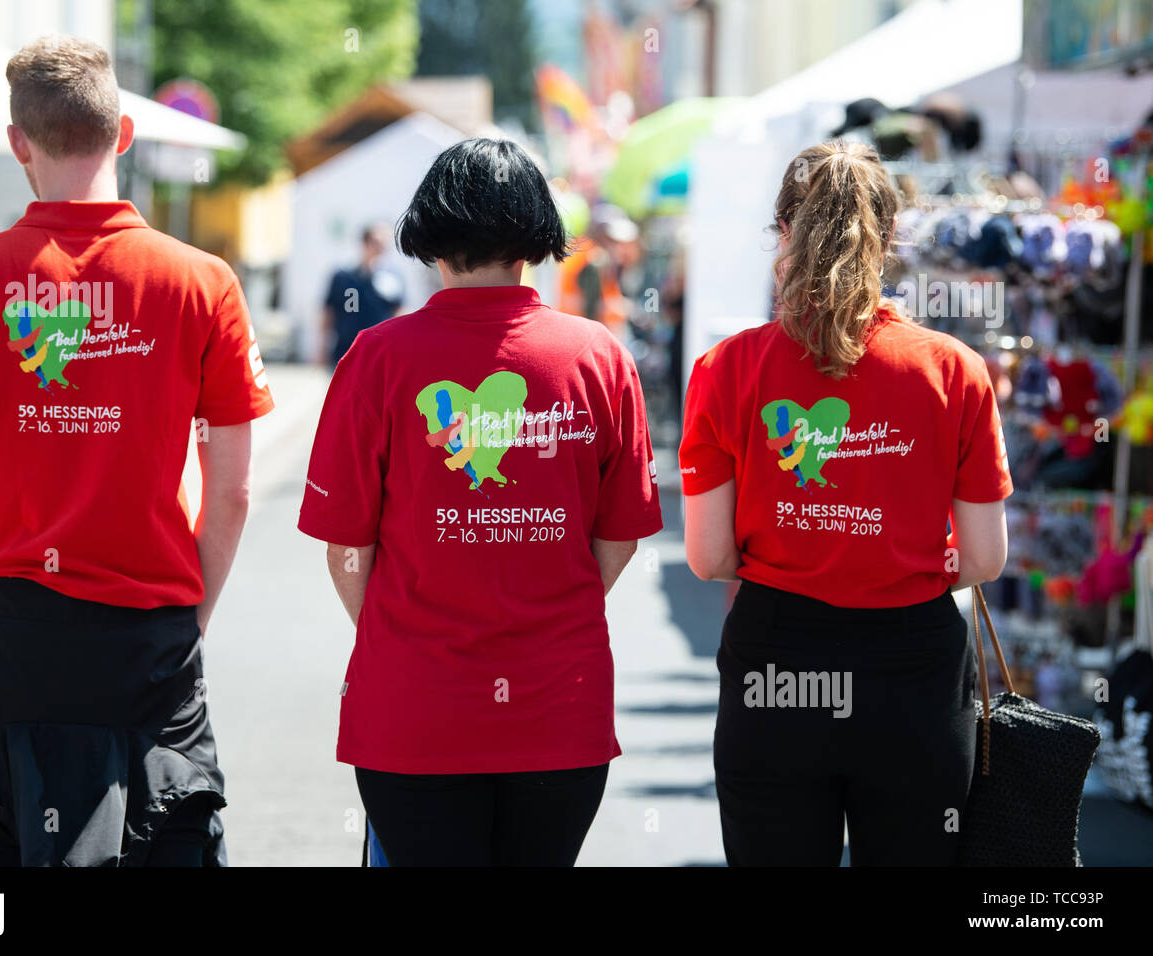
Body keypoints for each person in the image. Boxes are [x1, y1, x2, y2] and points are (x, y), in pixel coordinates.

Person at [0, 35, 274, 866]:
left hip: (3, 638)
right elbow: (235, 489)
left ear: (17, 143)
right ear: (126, 135)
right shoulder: (201, 281)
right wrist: (189, 619)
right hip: (148, 641)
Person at [298, 138, 662, 867]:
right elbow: (618, 538)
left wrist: (400, 632)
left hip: (414, 709)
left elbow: (346, 547)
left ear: (430, 233)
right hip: (560, 709)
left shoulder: (376, 358)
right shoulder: (600, 358)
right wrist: (547, 600)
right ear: (536, 235)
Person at [679, 141, 1012, 866]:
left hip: (777, 663)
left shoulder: (726, 369)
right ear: (890, 237)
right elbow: (985, 558)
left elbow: (707, 558)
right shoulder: (954, 369)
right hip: (914, 674)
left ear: (784, 234)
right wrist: (901, 556)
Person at [320, 222, 404, 367]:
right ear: (365, 243)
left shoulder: (392, 277)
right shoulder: (343, 276)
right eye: (377, 243)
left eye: (384, 244)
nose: (380, 249)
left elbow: (399, 311)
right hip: (346, 350)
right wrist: (322, 346)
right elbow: (329, 312)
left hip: (379, 352)